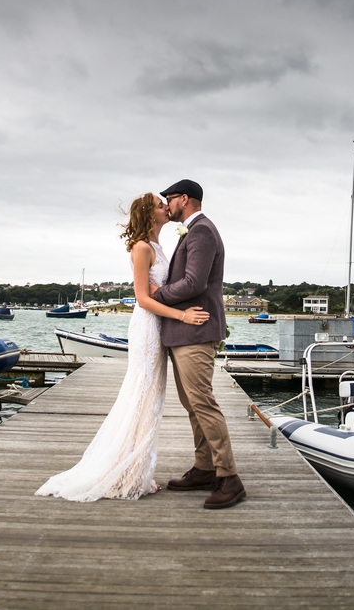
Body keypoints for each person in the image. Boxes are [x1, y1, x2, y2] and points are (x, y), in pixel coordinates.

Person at [35, 193, 210, 502]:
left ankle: (136, 469)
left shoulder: (158, 246)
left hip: (160, 327)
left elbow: (163, 289)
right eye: (159, 205)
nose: (165, 208)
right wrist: (183, 315)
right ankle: (127, 474)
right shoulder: (141, 248)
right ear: (149, 215)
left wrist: (169, 295)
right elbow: (142, 298)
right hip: (147, 328)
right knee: (141, 395)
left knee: (152, 398)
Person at [151, 179, 245, 509]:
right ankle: (205, 468)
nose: (167, 204)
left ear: (185, 199)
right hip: (183, 333)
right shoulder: (194, 231)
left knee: (202, 403)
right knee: (193, 405)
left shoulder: (202, 231)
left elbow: (194, 283)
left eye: (170, 199)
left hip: (196, 331)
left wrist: (157, 295)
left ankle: (229, 478)